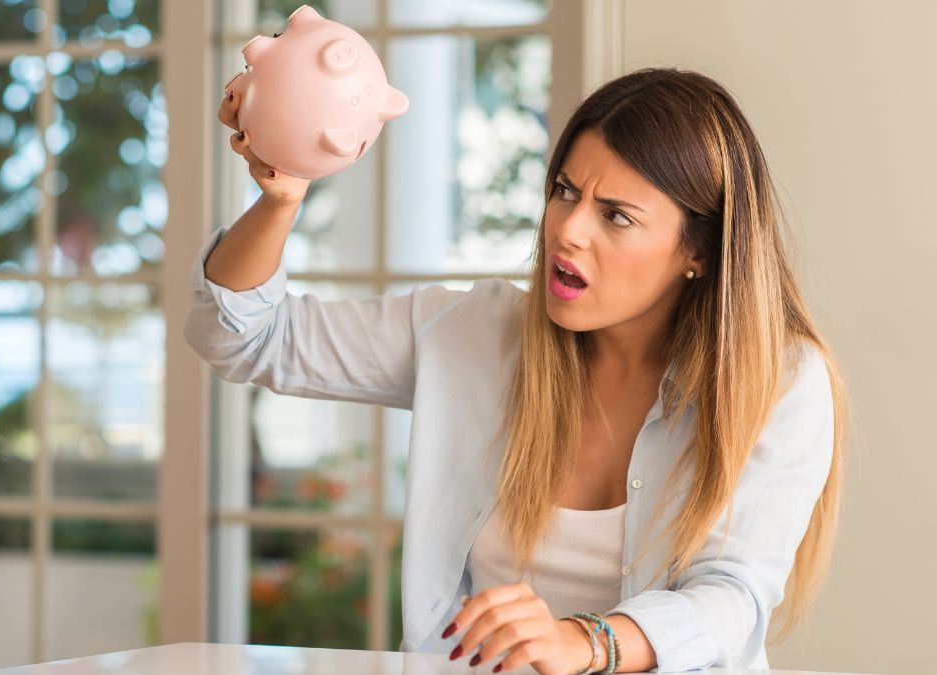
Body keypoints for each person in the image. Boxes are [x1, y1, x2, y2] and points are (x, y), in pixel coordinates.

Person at [185, 67, 848, 675]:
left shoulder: (779, 378)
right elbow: (245, 335)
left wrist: (586, 641)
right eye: (565, 191)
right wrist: (281, 200)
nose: (568, 231)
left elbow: (733, 596)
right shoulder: (471, 334)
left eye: (616, 215)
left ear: (697, 250)